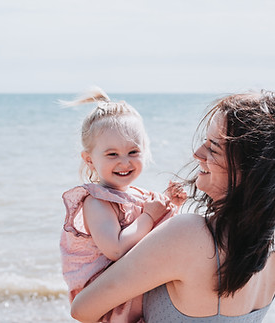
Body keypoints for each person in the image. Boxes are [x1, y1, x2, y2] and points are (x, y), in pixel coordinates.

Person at [70, 90, 275, 323]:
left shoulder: (188, 234)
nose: (197, 154)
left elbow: (82, 309)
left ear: (250, 171)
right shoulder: (268, 249)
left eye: (213, 148)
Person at [59, 87, 187, 322]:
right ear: (89, 159)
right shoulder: (96, 201)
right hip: (109, 301)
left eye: (133, 151)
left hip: (133, 289)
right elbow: (117, 249)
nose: (124, 162)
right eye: (112, 155)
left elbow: (151, 237)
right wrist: (149, 216)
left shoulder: (138, 194)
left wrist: (169, 204)